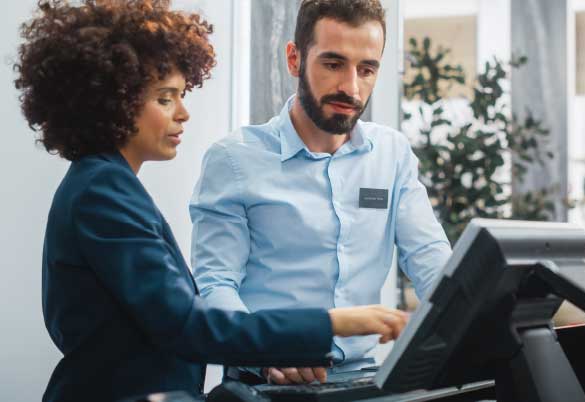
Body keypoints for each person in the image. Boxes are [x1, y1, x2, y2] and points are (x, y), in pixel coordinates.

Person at [15, 1, 408, 401]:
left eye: (181, 95)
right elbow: (190, 325)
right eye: (165, 98)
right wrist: (334, 323)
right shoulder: (102, 191)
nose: (183, 113)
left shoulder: (105, 183)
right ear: (114, 101)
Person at [190, 0, 450, 384]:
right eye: (333, 64)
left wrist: (472, 315)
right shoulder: (233, 160)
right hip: (265, 381)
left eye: (366, 69)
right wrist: (266, 352)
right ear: (294, 59)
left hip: (364, 378)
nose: (351, 87)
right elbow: (215, 286)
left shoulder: (392, 154)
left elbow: (431, 260)